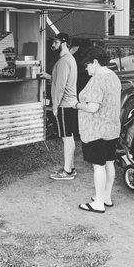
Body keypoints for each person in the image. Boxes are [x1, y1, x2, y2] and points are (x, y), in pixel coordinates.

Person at [75, 46, 121, 213]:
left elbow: (93, 107)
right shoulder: (114, 77)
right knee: (109, 163)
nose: (86, 68)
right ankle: (106, 197)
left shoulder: (98, 79)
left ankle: (98, 203)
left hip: (97, 130)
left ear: (95, 62)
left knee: (98, 166)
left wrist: (77, 105)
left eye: (87, 65)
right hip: (112, 128)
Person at [40, 33, 78, 180]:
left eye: (55, 42)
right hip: (70, 104)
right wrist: (49, 77)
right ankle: (71, 168)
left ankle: (67, 172)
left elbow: (60, 87)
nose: (53, 45)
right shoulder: (70, 59)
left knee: (66, 138)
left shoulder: (63, 61)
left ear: (63, 43)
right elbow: (62, 79)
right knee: (70, 137)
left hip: (64, 105)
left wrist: (55, 106)